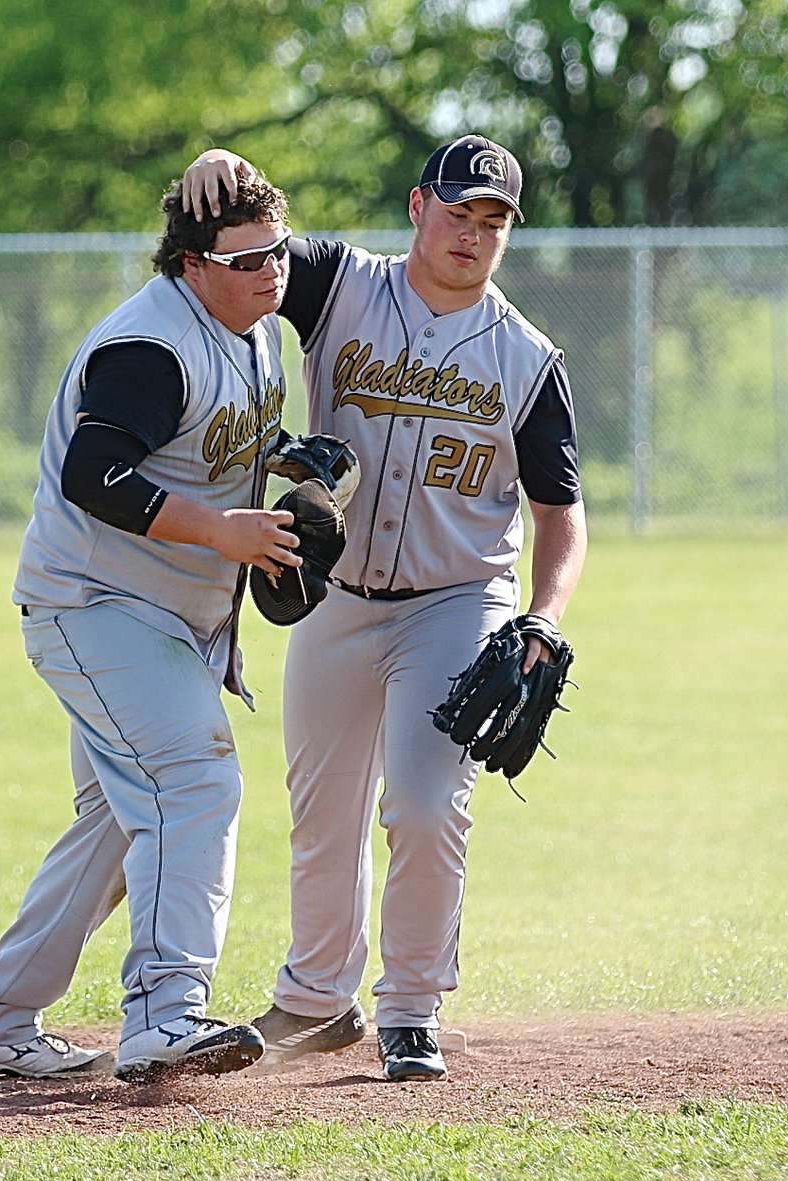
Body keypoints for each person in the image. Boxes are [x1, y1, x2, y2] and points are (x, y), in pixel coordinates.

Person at [182, 135, 587, 1082]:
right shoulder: (336, 284)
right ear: (418, 207)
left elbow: (561, 518)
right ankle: (320, 999)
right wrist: (218, 160)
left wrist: (545, 614)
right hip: (331, 594)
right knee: (322, 813)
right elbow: (251, 247)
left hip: (456, 600)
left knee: (422, 799)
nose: (472, 234)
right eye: (458, 212)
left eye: (493, 221)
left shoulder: (527, 359)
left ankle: (411, 1007)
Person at [0, 171, 301, 1084]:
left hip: (167, 619)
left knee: (113, 823)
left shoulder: (249, 331)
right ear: (193, 265)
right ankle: (165, 1016)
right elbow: (94, 476)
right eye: (248, 258)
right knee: (194, 779)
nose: (271, 272)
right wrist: (223, 531)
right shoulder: (150, 345)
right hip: (93, 605)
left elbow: (213, 445)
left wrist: (295, 469)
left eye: (279, 252)